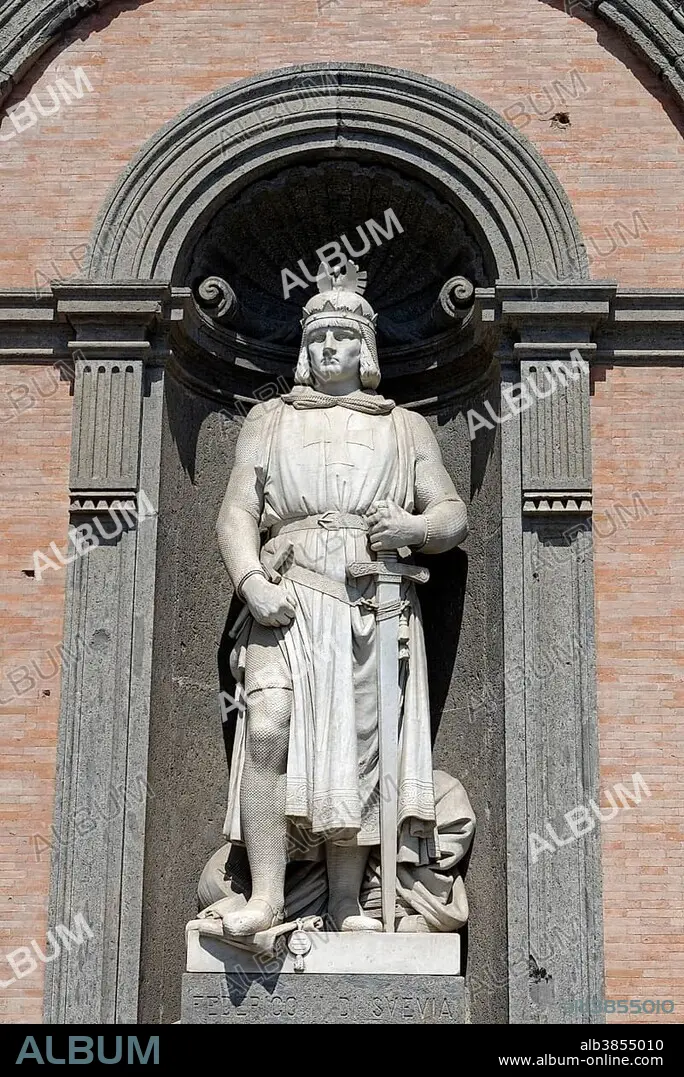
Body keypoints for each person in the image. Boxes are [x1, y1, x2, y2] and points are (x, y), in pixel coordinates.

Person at [211, 263, 468, 934]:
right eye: (318, 337)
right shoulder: (268, 419)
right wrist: (251, 582)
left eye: (343, 337)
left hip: (369, 601)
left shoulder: (404, 426)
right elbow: (236, 513)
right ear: (304, 348)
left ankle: (345, 901)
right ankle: (267, 896)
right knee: (267, 727)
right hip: (286, 595)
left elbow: (452, 514)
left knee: (361, 749)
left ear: (365, 348)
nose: (329, 348)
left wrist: (412, 528)